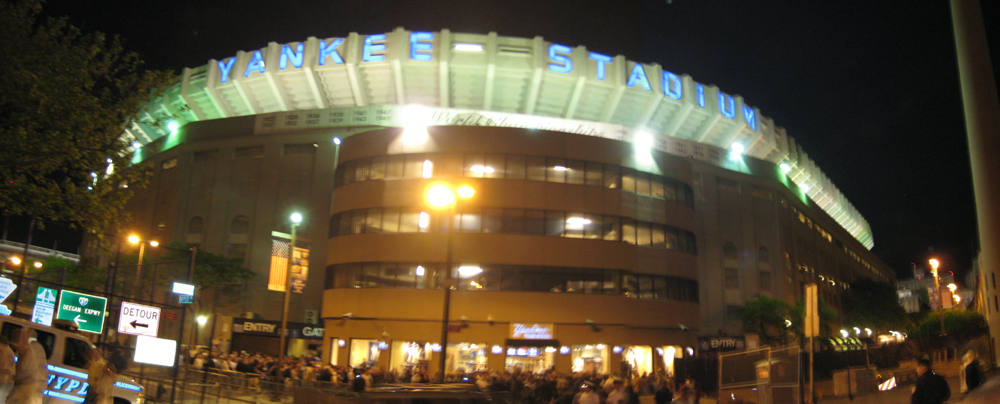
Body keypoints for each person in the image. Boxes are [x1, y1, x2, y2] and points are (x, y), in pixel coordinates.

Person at [7, 329, 47, 404]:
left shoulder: (28, 351)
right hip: (34, 388)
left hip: (27, 386)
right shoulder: (37, 347)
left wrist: (15, 377)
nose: (15, 349)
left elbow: (26, 371)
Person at [0, 336, 15, 403]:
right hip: (7, 381)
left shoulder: (4, 351)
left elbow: (5, 369)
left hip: (3, 380)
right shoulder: (9, 351)